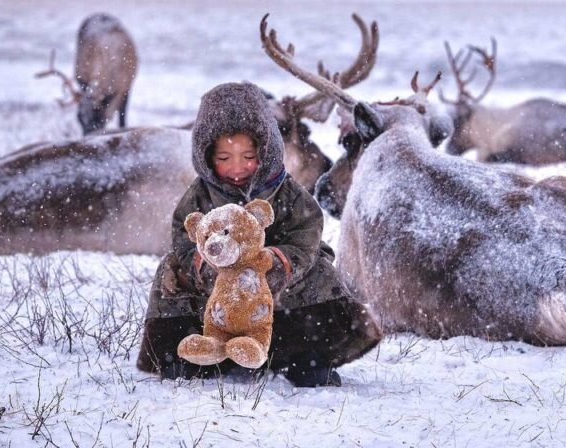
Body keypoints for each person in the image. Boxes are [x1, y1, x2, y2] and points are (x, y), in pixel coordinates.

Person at [136, 81, 382, 386]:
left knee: (319, 271)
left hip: (276, 282)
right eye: (224, 158)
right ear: (206, 156)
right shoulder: (200, 194)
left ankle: (308, 357)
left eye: (248, 156)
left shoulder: (286, 190)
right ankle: (186, 355)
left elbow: (307, 231)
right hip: (218, 290)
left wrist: (280, 263)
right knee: (170, 273)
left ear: (265, 151)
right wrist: (202, 266)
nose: (237, 167)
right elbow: (183, 233)